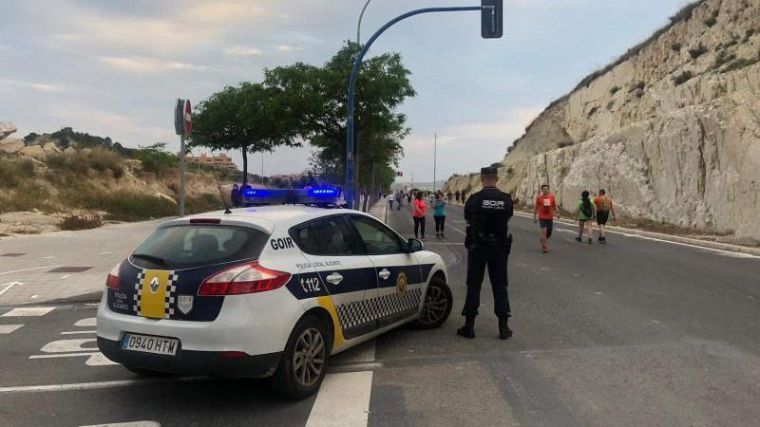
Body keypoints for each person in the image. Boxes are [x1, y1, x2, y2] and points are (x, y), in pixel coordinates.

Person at [458, 167, 514, 340]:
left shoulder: (474, 199)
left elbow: (467, 218)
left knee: (474, 285)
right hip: (498, 248)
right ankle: (503, 328)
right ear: (496, 179)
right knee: (500, 286)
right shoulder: (506, 200)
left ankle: (469, 327)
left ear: (482, 179)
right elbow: (508, 217)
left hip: (478, 247)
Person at [533, 184, 557, 254]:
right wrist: (534, 217)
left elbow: (555, 205)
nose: (545, 190)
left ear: (548, 189)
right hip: (542, 217)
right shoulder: (539, 198)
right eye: (544, 189)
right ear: (542, 190)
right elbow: (536, 208)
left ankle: (543, 239)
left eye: (547, 189)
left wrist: (557, 212)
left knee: (549, 232)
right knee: (544, 231)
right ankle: (544, 247)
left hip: (550, 217)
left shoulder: (552, 197)